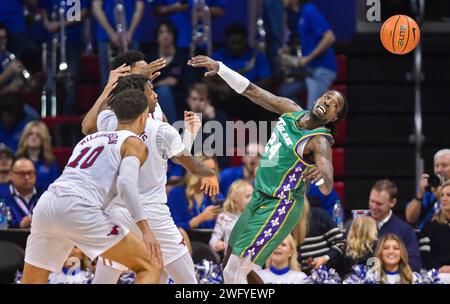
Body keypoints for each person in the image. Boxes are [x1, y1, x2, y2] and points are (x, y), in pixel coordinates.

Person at [188, 55, 348, 283]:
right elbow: (252, 91)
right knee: (230, 263)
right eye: (328, 97)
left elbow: (327, 185)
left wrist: (321, 178)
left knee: (234, 271)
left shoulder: (320, 141)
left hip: (280, 206)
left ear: (334, 118)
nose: (328, 102)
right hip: (258, 197)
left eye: (335, 105)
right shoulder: (291, 109)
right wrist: (221, 68)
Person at [86, 74, 219, 284]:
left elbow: (88, 125)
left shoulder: (107, 121)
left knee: (108, 277)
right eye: (151, 91)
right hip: (151, 212)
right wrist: (207, 168)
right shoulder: (162, 130)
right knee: (189, 282)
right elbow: (182, 160)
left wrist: (110, 85)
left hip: (117, 211)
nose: (156, 94)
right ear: (139, 98)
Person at [22, 89, 163, 284]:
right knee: (150, 264)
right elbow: (125, 184)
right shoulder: (134, 143)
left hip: (48, 203)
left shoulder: (87, 140)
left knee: (32, 280)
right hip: (79, 206)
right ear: (143, 118)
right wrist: (146, 230)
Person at [81, 50, 168, 135]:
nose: (147, 73)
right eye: (143, 70)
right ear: (123, 74)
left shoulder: (152, 99)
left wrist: (143, 85)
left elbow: (167, 132)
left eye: (148, 69)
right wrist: (108, 89)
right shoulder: (115, 103)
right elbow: (88, 129)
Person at [278, 0, 337, 110]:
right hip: (309, 70)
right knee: (285, 91)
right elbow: (307, 43)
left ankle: (310, 121)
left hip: (321, 70)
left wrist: (307, 59)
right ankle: (301, 117)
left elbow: (329, 37)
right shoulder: (298, 14)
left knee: (314, 114)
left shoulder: (309, 10)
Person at [39, 0, 90, 115]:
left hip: (72, 39)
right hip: (51, 39)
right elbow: (43, 7)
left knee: (70, 81)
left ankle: (69, 118)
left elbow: (85, 12)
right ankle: (49, 114)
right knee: (49, 80)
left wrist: (61, 24)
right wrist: (47, 22)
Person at [368, 179, 422, 272]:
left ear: (392, 202)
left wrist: (390, 269)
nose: (373, 206)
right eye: (372, 201)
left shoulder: (405, 230)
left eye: (379, 204)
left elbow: (415, 262)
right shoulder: (359, 225)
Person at [92, 0, 145, 87]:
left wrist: (130, 31)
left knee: (133, 78)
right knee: (107, 79)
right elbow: (96, 7)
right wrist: (110, 32)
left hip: (131, 36)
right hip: (106, 37)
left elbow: (140, 6)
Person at [168, 155, 223, 230]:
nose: (210, 175)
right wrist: (200, 219)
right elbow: (174, 227)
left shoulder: (216, 195)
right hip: (185, 237)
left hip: (210, 239)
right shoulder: (177, 193)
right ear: (194, 171)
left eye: (212, 170)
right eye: (205, 170)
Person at [148, 20, 188, 123]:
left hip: (179, 96)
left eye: (169, 32)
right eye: (162, 32)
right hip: (155, 95)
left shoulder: (182, 57)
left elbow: (180, 82)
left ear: (174, 36)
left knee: (165, 91)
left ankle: (170, 127)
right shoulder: (150, 58)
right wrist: (160, 84)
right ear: (157, 37)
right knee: (163, 91)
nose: (165, 35)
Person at [186, 82, 229, 168]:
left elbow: (223, 146)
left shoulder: (219, 116)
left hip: (217, 166)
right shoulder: (183, 117)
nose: (197, 103)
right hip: (192, 167)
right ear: (188, 100)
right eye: (194, 99)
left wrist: (212, 120)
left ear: (208, 101)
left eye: (201, 99)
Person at [406, 149, 450, 229]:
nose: (439, 170)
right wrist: (419, 194)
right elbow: (410, 218)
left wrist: (440, 197)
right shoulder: (428, 187)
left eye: (444, 165)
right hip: (426, 235)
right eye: (436, 166)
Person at [297, 206, 345, 274]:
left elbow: (341, 243)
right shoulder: (282, 222)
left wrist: (325, 258)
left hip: (327, 275)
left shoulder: (319, 215)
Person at [209, 179, 253, 254]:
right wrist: (218, 244)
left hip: (252, 260)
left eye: (253, 196)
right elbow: (213, 241)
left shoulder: (256, 216)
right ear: (236, 198)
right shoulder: (224, 217)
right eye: (248, 196)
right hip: (230, 260)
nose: (252, 199)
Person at [15, 121, 60, 192]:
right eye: (30, 134)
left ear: (43, 139)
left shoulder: (50, 162)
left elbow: (55, 187)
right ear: (25, 137)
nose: (34, 137)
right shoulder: (17, 161)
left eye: (38, 135)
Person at [419, 181, 450, 280]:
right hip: (436, 274)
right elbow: (424, 253)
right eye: (442, 195)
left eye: (448, 195)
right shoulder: (431, 224)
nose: (444, 198)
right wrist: (438, 268)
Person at [0, 157, 41, 228]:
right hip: (9, 238)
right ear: (11, 175)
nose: (27, 177)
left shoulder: (44, 195)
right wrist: (19, 224)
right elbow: (1, 224)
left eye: (30, 173)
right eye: (22, 173)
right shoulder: (1, 195)